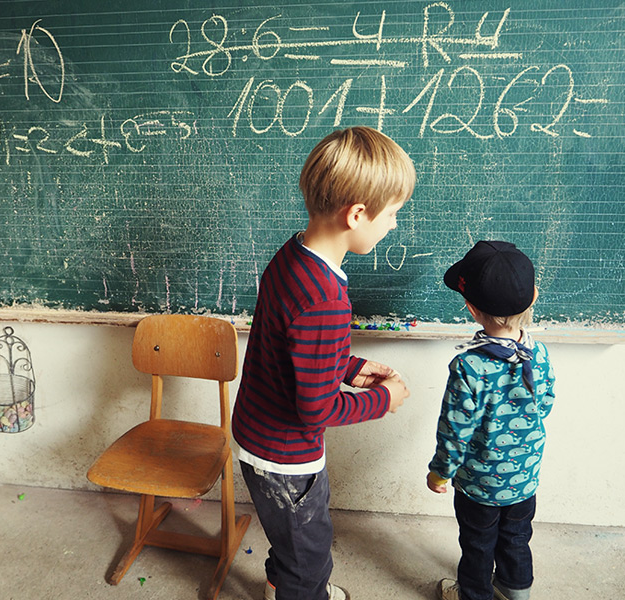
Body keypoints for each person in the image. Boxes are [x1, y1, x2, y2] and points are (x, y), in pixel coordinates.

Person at [231, 126, 415, 600]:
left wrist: (350, 368)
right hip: (287, 457)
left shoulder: (293, 254)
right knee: (309, 556)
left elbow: (290, 349)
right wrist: (383, 399)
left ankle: (279, 584)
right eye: (392, 214)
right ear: (357, 214)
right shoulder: (326, 299)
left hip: (256, 434)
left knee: (290, 538)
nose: (394, 224)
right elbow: (316, 409)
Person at [426, 240, 556, 600]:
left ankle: (474, 595)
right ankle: (516, 591)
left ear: (471, 309)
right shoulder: (539, 352)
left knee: (478, 544)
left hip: (479, 485)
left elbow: (454, 431)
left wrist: (440, 472)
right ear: (534, 296)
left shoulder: (469, 366)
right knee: (516, 538)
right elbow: (546, 403)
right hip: (524, 477)